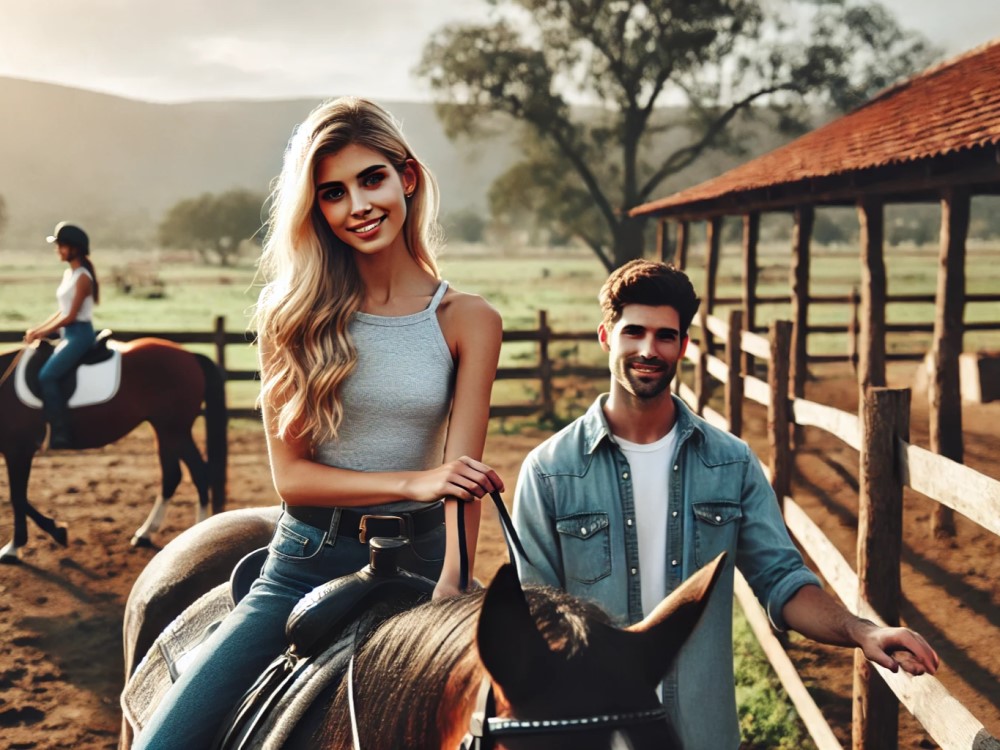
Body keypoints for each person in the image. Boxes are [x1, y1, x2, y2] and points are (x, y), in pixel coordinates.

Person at [135, 97, 504, 749]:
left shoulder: (470, 319)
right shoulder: (290, 315)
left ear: (407, 179)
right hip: (308, 561)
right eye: (333, 193)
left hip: (426, 561)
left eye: (371, 179)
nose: (358, 206)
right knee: (168, 742)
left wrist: (452, 582)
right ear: (318, 210)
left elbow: (463, 481)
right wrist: (418, 481)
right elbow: (294, 479)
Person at [511, 259, 939, 750]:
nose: (649, 350)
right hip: (592, 738)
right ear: (607, 337)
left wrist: (862, 631)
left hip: (702, 735)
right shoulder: (549, 470)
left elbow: (782, 581)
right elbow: (535, 616)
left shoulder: (730, 463)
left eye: (665, 336)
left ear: (683, 347)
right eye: (634, 333)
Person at [24, 222, 100, 449]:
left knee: (47, 376)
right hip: (69, 334)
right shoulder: (70, 274)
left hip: (80, 335)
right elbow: (61, 311)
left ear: (74, 248)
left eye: (61, 246)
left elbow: (71, 316)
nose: (58, 250)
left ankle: (60, 432)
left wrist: (42, 332)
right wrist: (38, 328)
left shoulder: (83, 277)